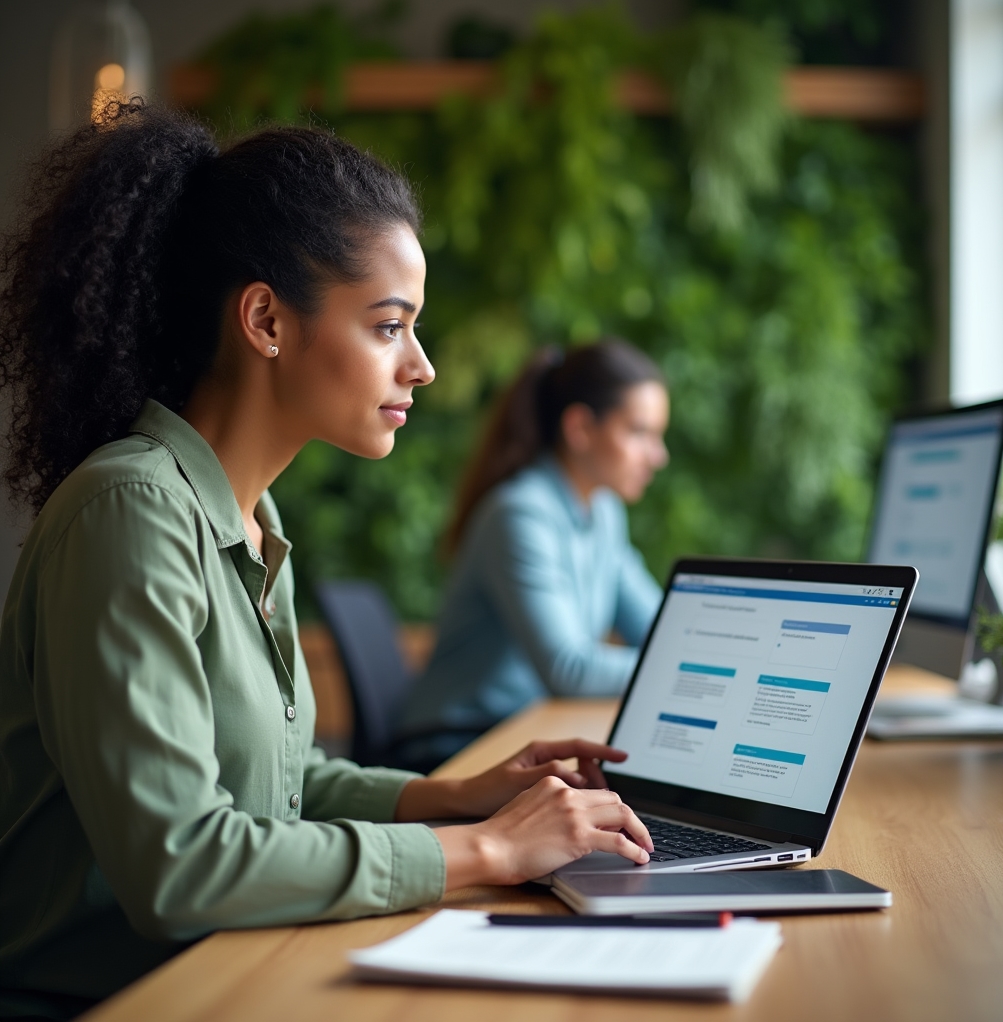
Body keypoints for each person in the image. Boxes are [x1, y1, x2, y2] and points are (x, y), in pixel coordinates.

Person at [0, 102, 654, 1020]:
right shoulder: (131, 515)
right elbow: (183, 864)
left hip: (221, 977)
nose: (420, 365)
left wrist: (462, 796)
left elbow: (276, 784)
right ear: (266, 319)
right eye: (390, 326)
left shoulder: (252, 519)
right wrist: (490, 851)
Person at [396, 341, 670, 773]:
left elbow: (660, 630)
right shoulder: (520, 514)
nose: (659, 456)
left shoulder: (603, 512)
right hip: (456, 747)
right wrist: (683, 674)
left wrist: (687, 659)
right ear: (580, 428)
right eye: (639, 433)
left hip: (524, 733)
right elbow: (569, 669)